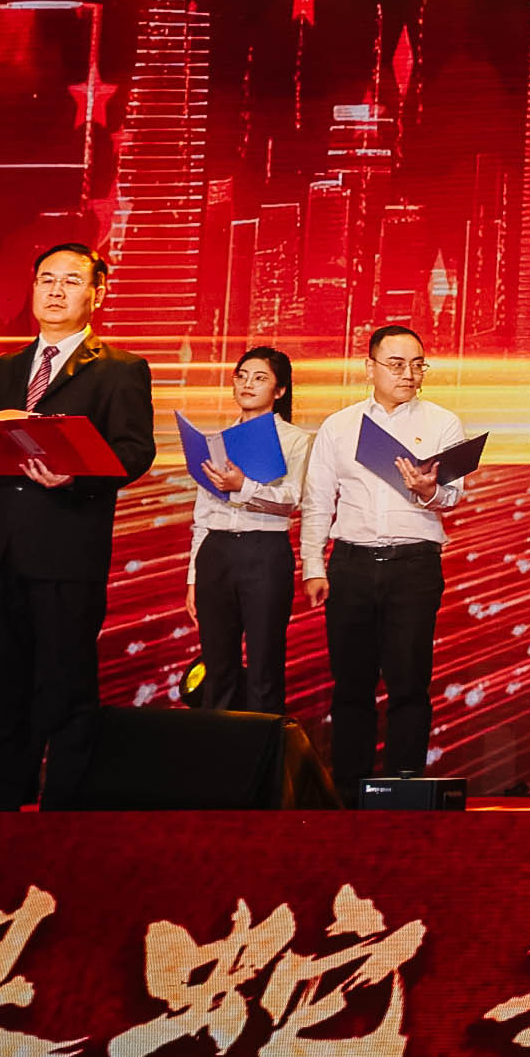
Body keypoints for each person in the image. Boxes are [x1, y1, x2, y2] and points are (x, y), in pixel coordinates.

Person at [0, 241, 157, 809]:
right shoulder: (1, 369)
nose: (56, 291)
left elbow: (135, 451)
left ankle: (64, 807)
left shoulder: (121, 369)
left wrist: (75, 475)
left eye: (71, 281)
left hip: (65, 549)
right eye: (46, 280)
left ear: (97, 294)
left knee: (65, 684)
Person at [298, 322, 474, 793]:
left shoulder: (442, 423)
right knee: (351, 684)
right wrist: (313, 565)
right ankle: (350, 786)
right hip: (351, 564)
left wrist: (428, 490)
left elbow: (454, 495)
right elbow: (318, 501)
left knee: (409, 682)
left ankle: (404, 786)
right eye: (396, 365)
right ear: (369, 367)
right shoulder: (340, 426)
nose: (408, 374)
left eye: (417, 365)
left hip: (414, 564)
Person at [181, 343, 310, 722]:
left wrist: (244, 486)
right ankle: (216, 752)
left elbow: (292, 499)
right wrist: (193, 577)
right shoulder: (216, 440)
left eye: (260, 378)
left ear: (280, 390)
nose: (247, 384)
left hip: (264, 552)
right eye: (241, 376)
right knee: (217, 666)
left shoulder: (295, 440)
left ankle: (263, 752)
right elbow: (202, 515)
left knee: (264, 667)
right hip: (216, 552)